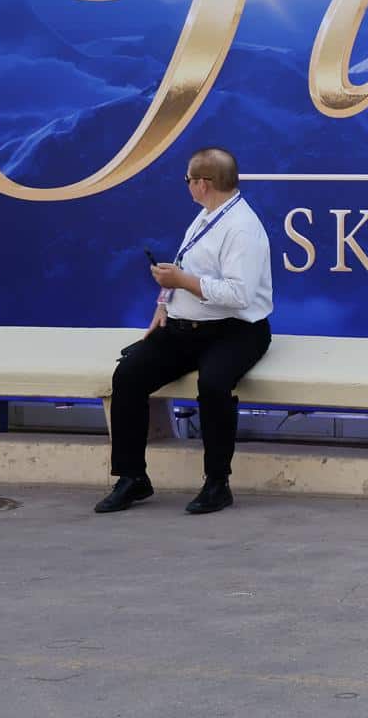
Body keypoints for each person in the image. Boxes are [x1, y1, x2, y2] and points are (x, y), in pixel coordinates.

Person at [97, 147, 274, 517]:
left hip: (236, 330)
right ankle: (132, 477)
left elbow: (239, 296)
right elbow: (183, 266)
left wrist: (183, 281)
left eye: (189, 180)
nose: (187, 186)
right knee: (128, 375)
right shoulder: (206, 216)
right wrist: (164, 301)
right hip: (184, 327)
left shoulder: (242, 227)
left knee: (213, 386)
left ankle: (216, 482)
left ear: (204, 184)